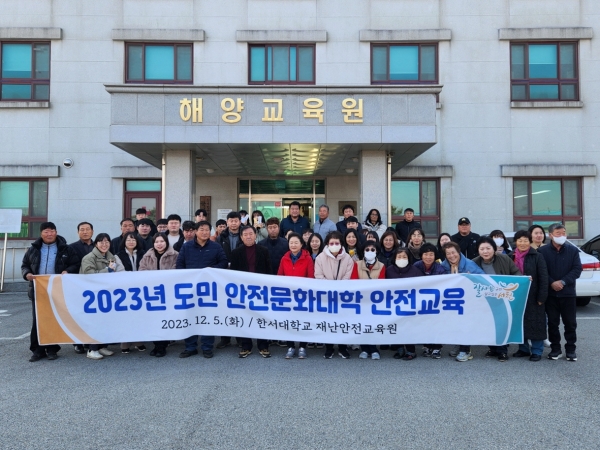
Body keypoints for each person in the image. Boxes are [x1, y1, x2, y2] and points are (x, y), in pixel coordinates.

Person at [22, 222, 80, 362]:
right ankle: (37, 350)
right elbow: (25, 265)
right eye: (46, 232)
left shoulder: (65, 249)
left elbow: (76, 264)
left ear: (56, 232)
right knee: (38, 319)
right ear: (41, 233)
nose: (49, 234)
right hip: (38, 288)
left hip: (57, 289)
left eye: (52, 231)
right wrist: (27, 274)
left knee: (54, 319)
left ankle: (52, 349)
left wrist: (68, 271)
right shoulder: (33, 249)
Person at [177, 221, 229, 358]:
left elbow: (223, 262)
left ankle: (207, 347)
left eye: (207, 230)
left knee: (207, 317)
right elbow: (179, 265)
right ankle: (190, 347)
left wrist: (211, 270)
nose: (205, 232)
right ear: (195, 231)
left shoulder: (215, 246)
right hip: (191, 287)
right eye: (202, 229)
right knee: (190, 316)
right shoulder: (187, 247)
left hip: (209, 288)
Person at [472, 236, 521, 362]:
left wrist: (523, 280)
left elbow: (516, 273)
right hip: (485, 300)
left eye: (488, 248)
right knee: (488, 324)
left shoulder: (504, 259)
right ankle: (493, 348)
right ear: (478, 250)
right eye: (482, 249)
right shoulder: (474, 262)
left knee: (501, 324)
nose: (485, 251)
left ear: (494, 249)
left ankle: (502, 351)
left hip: (502, 298)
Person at [538, 223, 582, 361]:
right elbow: (541, 271)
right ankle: (555, 349)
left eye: (564, 233)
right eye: (558, 233)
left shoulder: (572, 250)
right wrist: (552, 282)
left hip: (568, 293)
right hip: (551, 294)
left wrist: (563, 282)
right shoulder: (542, 251)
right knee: (552, 323)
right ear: (550, 235)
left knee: (570, 323)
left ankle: (571, 349)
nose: (562, 235)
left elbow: (577, 269)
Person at [229, 226, 273, 358]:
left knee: (261, 317)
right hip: (243, 291)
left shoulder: (264, 251)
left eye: (251, 234)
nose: (248, 237)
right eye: (245, 234)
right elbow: (232, 274)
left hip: (260, 290)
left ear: (255, 235)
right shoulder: (235, 252)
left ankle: (263, 345)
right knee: (245, 317)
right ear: (241, 237)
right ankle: (246, 345)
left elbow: (269, 270)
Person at [80, 233, 125, 360]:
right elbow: (89, 274)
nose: (104, 244)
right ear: (96, 244)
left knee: (106, 321)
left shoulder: (111, 257)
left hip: (107, 293)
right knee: (96, 322)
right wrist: (107, 270)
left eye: (107, 242)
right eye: (101, 242)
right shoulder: (89, 258)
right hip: (93, 294)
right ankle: (92, 349)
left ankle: (101, 346)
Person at [440, 241, 484, 362]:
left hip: (468, 301)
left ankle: (466, 350)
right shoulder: (443, 266)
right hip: (452, 300)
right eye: (448, 253)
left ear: (459, 252)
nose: (451, 256)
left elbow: (483, 278)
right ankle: (459, 345)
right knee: (455, 324)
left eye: (453, 252)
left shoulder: (470, 264)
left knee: (465, 324)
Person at [510, 230, 549, 362]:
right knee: (520, 322)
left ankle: (537, 351)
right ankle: (523, 348)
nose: (522, 243)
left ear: (530, 242)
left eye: (525, 240)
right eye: (520, 240)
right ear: (515, 242)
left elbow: (544, 278)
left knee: (536, 323)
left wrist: (541, 297)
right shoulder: (510, 257)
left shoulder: (537, 256)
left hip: (533, 296)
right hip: (515, 296)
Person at [315, 231, 355, 359]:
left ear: (341, 244)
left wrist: (339, 288)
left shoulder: (348, 258)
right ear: (327, 244)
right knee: (328, 322)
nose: (334, 245)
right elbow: (318, 276)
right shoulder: (320, 258)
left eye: (336, 243)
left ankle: (343, 348)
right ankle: (329, 348)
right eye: (331, 243)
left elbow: (348, 276)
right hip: (326, 295)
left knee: (343, 322)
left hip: (343, 296)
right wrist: (331, 287)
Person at [139, 234, 178, 357]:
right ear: (153, 243)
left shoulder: (175, 255)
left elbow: (177, 271)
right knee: (154, 320)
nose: (159, 244)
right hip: (152, 293)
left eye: (162, 241)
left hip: (168, 292)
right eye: (156, 242)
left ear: (166, 242)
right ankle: (156, 344)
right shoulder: (147, 256)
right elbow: (141, 270)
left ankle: (162, 346)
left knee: (165, 319)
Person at [278, 232, 315, 359]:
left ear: (301, 244)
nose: (293, 245)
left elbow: (311, 277)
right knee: (289, 321)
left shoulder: (308, 258)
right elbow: (280, 276)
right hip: (288, 295)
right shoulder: (284, 258)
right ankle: (291, 346)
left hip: (302, 295)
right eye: (291, 243)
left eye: (296, 243)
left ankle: (303, 346)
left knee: (303, 321)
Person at [386, 247, 424, 360]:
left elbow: (423, 286)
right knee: (396, 326)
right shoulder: (389, 270)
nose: (401, 259)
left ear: (409, 258)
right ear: (394, 258)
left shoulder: (415, 271)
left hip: (410, 304)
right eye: (399, 257)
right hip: (394, 304)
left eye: (404, 257)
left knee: (408, 327)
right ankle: (400, 348)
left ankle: (411, 350)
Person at [350, 241, 386, 360]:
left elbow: (381, 284)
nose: (370, 251)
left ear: (377, 252)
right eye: (367, 249)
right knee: (362, 325)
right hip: (360, 301)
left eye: (372, 249)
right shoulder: (357, 264)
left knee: (373, 325)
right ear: (363, 251)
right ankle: (364, 349)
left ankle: (374, 349)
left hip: (375, 302)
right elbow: (353, 281)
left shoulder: (381, 266)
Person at [114, 232, 145, 354]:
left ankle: (138, 341)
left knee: (138, 316)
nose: (131, 242)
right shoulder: (118, 256)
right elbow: (119, 272)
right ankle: (125, 342)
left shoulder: (143, 254)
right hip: (125, 290)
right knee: (125, 316)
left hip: (140, 289)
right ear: (124, 242)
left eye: (133, 240)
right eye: (128, 240)